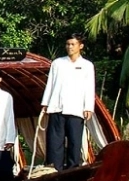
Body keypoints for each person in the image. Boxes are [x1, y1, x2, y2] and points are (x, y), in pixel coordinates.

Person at [40, 33, 95, 171]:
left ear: (80, 46)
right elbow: (50, 84)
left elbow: (90, 87)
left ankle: (72, 170)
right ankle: (53, 169)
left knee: (74, 142)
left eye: (73, 44)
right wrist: (45, 103)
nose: (70, 47)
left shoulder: (87, 65)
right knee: (54, 142)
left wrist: (88, 107)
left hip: (76, 109)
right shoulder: (57, 63)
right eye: (68, 44)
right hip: (56, 108)